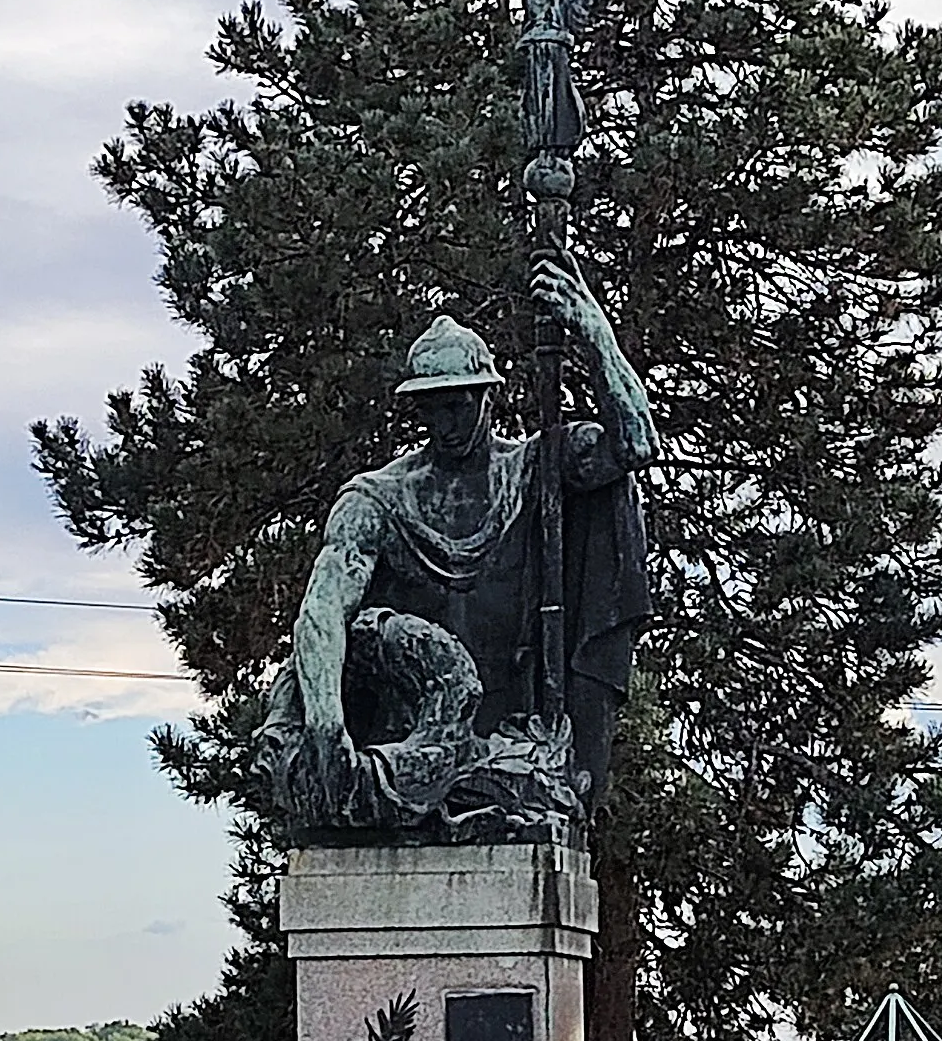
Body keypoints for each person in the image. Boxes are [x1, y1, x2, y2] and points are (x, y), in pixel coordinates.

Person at [258, 248, 656, 840]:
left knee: (528, 797)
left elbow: (635, 447)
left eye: (455, 404)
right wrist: (325, 723)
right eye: (430, 407)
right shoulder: (379, 499)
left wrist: (592, 331)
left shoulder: (535, 470)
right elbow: (323, 608)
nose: (443, 421)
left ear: (485, 397)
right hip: (400, 736)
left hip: (513, 742)